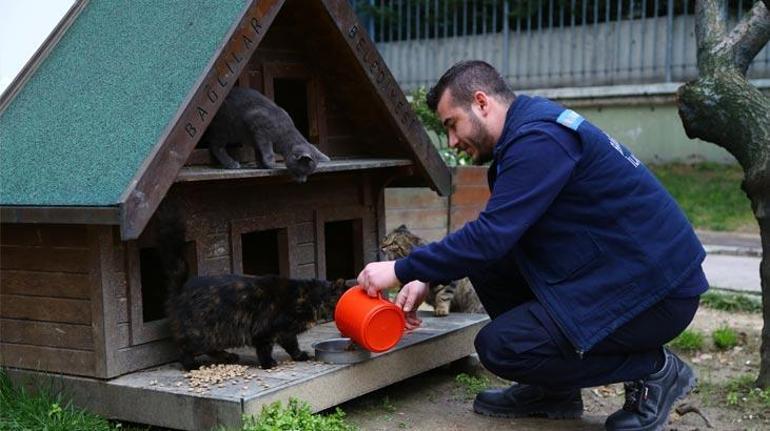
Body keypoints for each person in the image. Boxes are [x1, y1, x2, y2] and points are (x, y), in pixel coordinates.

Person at [357, 60, 708, 431]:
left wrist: (401, 268)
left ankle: (655, 369)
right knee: (489, 264)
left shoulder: (540, 139)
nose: (452, 142)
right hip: (622, 273)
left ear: (481, 102)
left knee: (501, 347)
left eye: (451, 125)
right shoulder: (530, 131)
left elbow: (491, 235)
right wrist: (428, 274)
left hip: (657, 295)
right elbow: (495, 238)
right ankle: (554, 391)